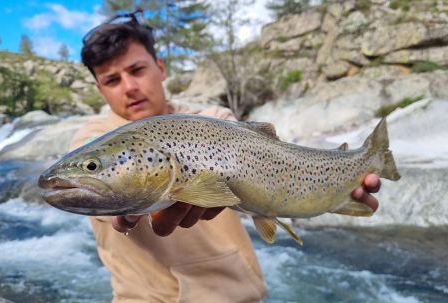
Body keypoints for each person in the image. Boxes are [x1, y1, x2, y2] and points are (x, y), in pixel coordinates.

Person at [71, 10, 382, 303]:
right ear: (100, 89)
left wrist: (331, 192)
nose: (130, 87)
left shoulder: (213, 118)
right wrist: (122, 209)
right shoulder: (93, 138)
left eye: (136, 70)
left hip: (239, 295)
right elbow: (98, 196)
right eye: (112, 80)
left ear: (160, 67)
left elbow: (274, 170)